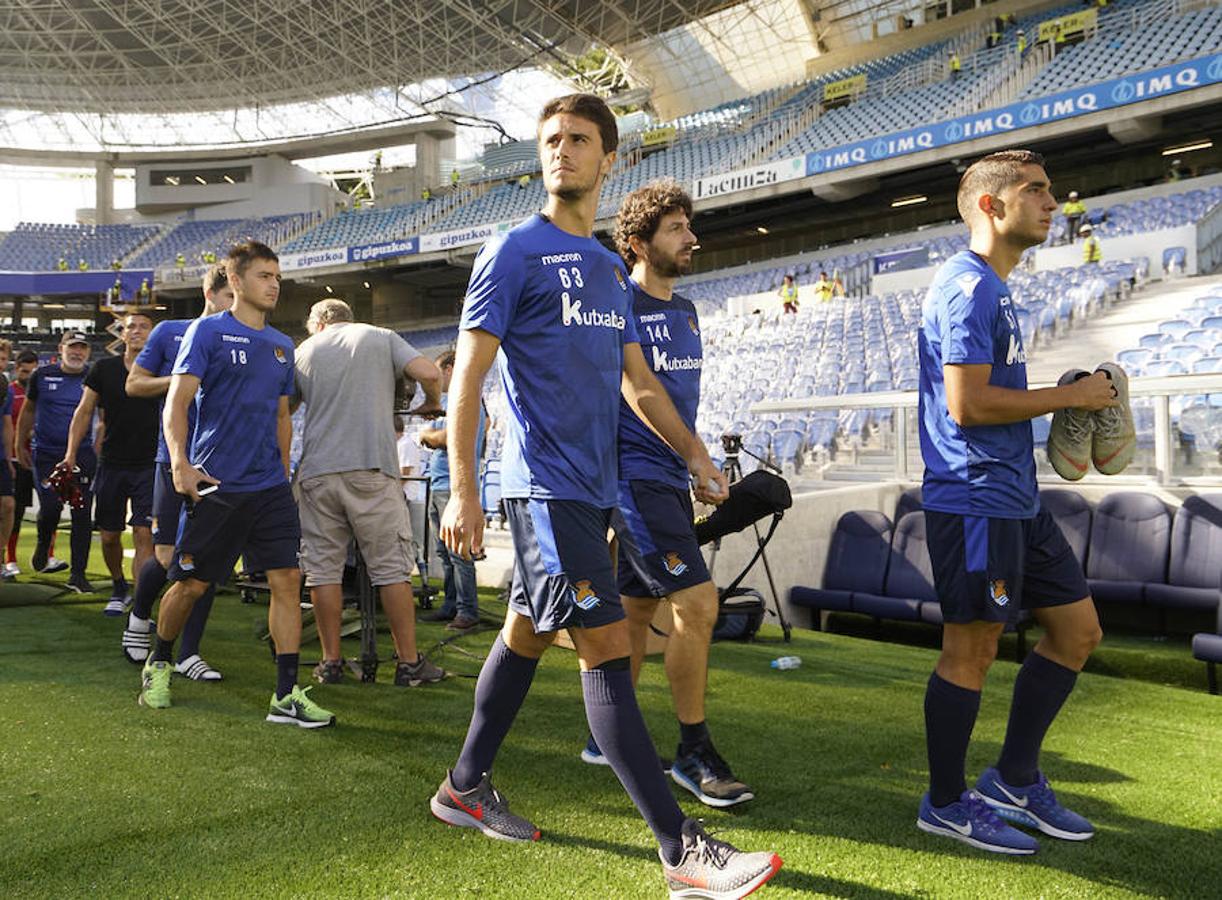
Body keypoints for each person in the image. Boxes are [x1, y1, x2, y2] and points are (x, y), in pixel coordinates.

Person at [426, 93, 782, 898]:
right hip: (543, 487)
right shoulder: (512, 251)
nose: (562, 150)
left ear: (609, 158)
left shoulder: (606, 269)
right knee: (607, 646)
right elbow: (469, 377)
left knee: (525, 633)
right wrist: (464, 491)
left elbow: (639, 382)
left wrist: (695, 455)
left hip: (597, 490)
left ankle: (464, 786)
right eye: (551, 138)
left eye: (580, 139)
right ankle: (681, 851)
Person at [916, 149, 1120, 854]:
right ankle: (945, 803)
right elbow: (968, 405)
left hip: (1015, 496)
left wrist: (1064, 397)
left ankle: (1013, 778)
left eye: (1050, 191)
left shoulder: (995, 288)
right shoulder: (967, 287)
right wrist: (1072, 397)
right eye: (1035, 190)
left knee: (1078, 631)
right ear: (990, 205)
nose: (1052, 203)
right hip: (974, 498)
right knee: (971, 648)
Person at [578, 177, 753, 808]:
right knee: (699, 604)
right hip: (634, 479)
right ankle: (693, 750)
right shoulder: (616, 303)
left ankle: (606, 738)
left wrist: (692, 466)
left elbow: (676, 400)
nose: (691, 238)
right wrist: (696, 456)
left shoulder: (687, 311)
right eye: (676, 228)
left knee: (635, 610)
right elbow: (635, 391)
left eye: (688, 225)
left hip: (669, 477)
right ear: (637, 242)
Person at [137, 241, 333, 728]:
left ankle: (285, 696)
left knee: (287, 580)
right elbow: (176, 403)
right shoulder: (207, 332)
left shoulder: (282, 346)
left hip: (269, 488)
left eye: (278, 277)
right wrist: (180, 464)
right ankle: (159, 661)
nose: (274, 285)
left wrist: (283, 474)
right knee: (191, 584)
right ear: (237, 281)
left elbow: (282, 416)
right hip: (217, 484)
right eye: (265, 276)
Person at [292, 298, 446, 687]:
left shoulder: (303, 350)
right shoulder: (379, 336)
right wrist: (432, 402)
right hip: (371, 465)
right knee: (390, 568)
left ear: (318, 324)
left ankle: (330, 663)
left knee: (323, 570)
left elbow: (283, 408)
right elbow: (430, 372)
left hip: (318, 469)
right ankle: (408, 664)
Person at [123, 265, 232, 677]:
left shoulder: (246, 337)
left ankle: (188, 653)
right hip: (173, 457)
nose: (235, 306)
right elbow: (134, 384)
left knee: (205, 560)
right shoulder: (170, 331)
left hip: (221, 462)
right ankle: (139, 617)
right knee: (166, 555)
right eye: (229, 297)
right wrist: (182, 380)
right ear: (211, 294)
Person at [61, 312, 159, 615]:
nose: (137, 331)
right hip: (112, 463)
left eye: (144, 327)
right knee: (109, 536)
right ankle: (119, 587)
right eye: (131, 327)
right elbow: (84, 411)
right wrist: (70, 453)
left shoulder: (164, 370)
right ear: (122, 334)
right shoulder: (104, 369)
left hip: (150, 464)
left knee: (144, 534)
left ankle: (140, 605)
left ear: (152, 333)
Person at [16, 332, 96, 592]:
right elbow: (28, 410)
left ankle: (78, 574)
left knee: (81, 512)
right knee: (51, 507)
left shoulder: (93, 377)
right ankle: (43, 544)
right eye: (72, 347)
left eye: (82, 348)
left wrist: (98, 449)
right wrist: (19, 444)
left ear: (88, 352)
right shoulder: (41, 375)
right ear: (61, 349)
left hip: (83, 454)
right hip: (47, 454)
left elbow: (103, 416)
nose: (77, 352)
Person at [420, 349, 486, 632]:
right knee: (444, 553)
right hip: (439, 483)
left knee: (459, 553)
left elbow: (446, 438)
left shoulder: (466, 399)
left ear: (450, 369)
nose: (437, 380)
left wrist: (427, 436)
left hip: (453, 486)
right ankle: (451, 605)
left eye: (439, 373)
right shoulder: (449, 402)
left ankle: (467, 611)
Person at [5, 349, 66, 578]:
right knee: (16, 511)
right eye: (24, 371)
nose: (28, 376)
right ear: (16, 369)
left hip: (44, 459)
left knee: (52, 508)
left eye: (32, 372)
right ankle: (10, 559)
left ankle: (48, 556)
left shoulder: (44, 391)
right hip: (17, 459)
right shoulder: (9, 392)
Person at [0, 341, 13, 581]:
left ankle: (1, 557)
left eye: (3, 359)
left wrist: (10, 458)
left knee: (8, 505)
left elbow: (7, 424)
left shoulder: (5, 388)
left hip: (0, 457)